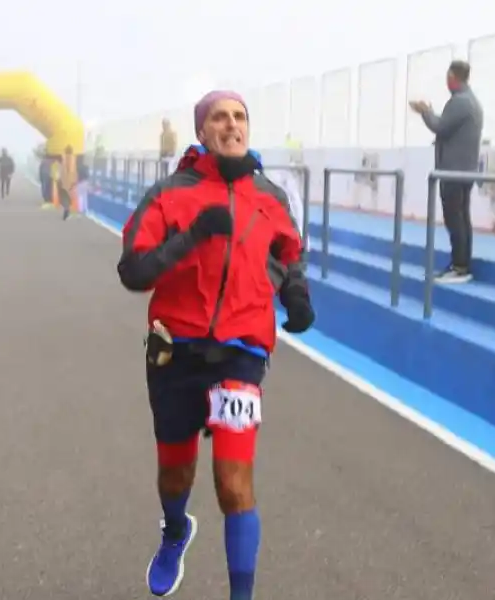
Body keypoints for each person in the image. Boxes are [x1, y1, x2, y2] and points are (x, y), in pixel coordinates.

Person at [117, 90, 315, 600]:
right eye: (220, 118)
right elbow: (134, 270)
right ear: (202, 131)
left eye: (241, 116)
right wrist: (193, 237)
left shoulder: (270, 195)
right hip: (175, 350)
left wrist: (296, 293)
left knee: (233, 483)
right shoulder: (169, 193)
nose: (232, 125)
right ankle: (176, 530)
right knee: (175, 476)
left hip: (241, 352)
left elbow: (288, 252)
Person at [410, 59, 483, 284]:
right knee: (461, 217)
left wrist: (425, 111)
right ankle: (460, 264)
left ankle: (460, 266)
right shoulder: (471, 101)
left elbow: (440, 126)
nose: (446, 81)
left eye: (448, 77)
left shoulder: (460, 102)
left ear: (454, 77)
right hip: (464, 170)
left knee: (455, 218)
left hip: (454, 171)